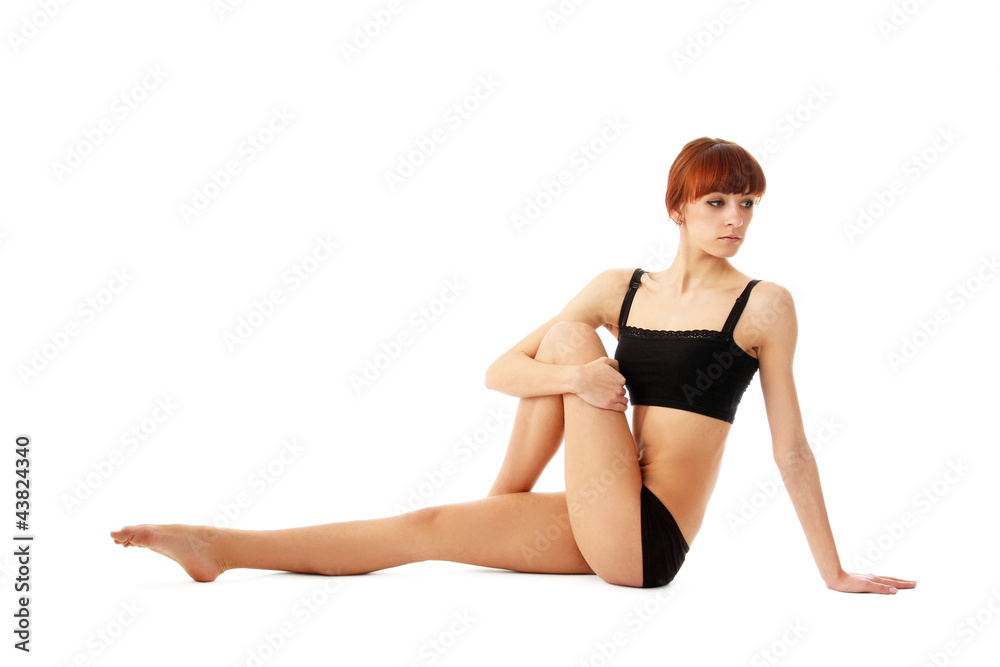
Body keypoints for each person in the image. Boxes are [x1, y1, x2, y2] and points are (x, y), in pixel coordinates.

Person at [111, 137, 915, 594]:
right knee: (425, 527)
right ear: (677, 207)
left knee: (568, 342)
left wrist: (834, 570)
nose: (735, 219)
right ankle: (219, 545)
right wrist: (578, 382)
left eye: (747, 204)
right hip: (603, 504)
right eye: (717, 203)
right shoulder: (619, 288)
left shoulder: (765, 305)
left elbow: (793, 447)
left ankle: (504, 499)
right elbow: (500, 369)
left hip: (648, 534)